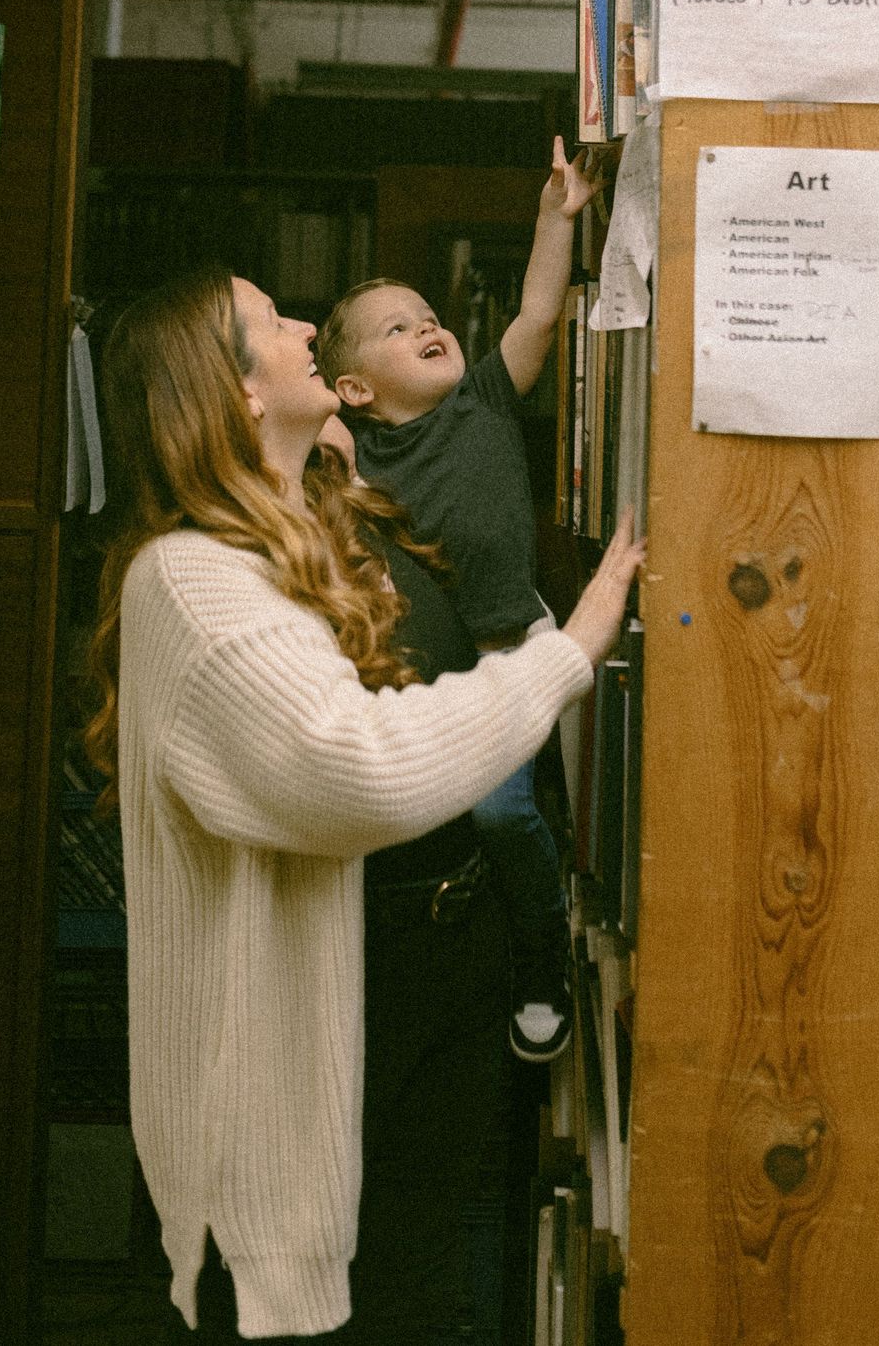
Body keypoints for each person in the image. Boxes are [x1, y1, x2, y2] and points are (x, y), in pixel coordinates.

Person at [84, 265, 642, 1342]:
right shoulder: (189, 580)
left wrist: (317, 482)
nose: (299, 324)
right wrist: (568, 652)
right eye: (269, 321)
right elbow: (360, 765)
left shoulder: (326, 516)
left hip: (442, 950)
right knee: (309, 1315)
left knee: (420, 1287)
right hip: (318, 1004)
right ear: (232, 390)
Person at [313, 138, 595, 1066]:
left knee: (509, 818)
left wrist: (555, 218)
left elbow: (540, 316)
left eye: (428, 316)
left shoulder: (482, 400)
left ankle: (544, 963)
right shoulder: (358, 454)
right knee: (448, 820)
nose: (427, 326)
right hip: (430, 675)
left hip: (517, 643)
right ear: (354, 389)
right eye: (396, 330)